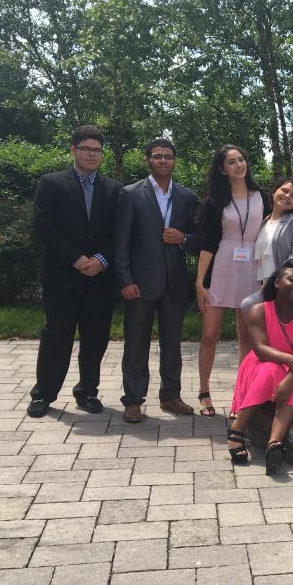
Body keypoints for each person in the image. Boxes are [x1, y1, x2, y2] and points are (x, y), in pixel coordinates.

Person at [27, 125, 122, 418]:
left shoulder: (115, 189)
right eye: (86, 149)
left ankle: (87, 392)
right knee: (57, 336)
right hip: (63, 275)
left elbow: (120, 232)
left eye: (97, 150)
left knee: (95, 338)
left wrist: (102, 260)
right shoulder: (52, 183)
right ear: (74, 150)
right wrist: (77, 258)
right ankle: (43, 394)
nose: (92, 155)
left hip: (100, 278)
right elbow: (43, 226)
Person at [112, 138, 200, 423]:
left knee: (172, 343)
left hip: (173, 281)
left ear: (175, 161)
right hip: (139, 282)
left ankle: (171, 396)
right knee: (136, 343)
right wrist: (125, 279)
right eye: (158, 156)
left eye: (169, 157)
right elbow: (120, 241)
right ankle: (133, 399)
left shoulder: (187, 196)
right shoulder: (130, 193)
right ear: (148, 159)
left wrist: (183, 238)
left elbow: (200, 237)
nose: (164, 161)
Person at [226, 259, 293, 475]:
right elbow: (260, 350)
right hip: (261, 363)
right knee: (270, 369)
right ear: (277, 282)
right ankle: (238, 429)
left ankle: (274, 444)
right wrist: (291, 364)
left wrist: (289, 378)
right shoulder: (258, 310)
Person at [195, 146, 266, 417]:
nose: (239, 165)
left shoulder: (263, 198)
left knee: (246, 335)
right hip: (221, 268)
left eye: (241, 160)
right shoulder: (215, 202)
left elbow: (284, 219)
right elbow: (208, 243)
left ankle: (242, 394)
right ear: (222, 169)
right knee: (210, 334)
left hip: (253, 269)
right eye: (231, 162)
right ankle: (204, 391)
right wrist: (200, 282)